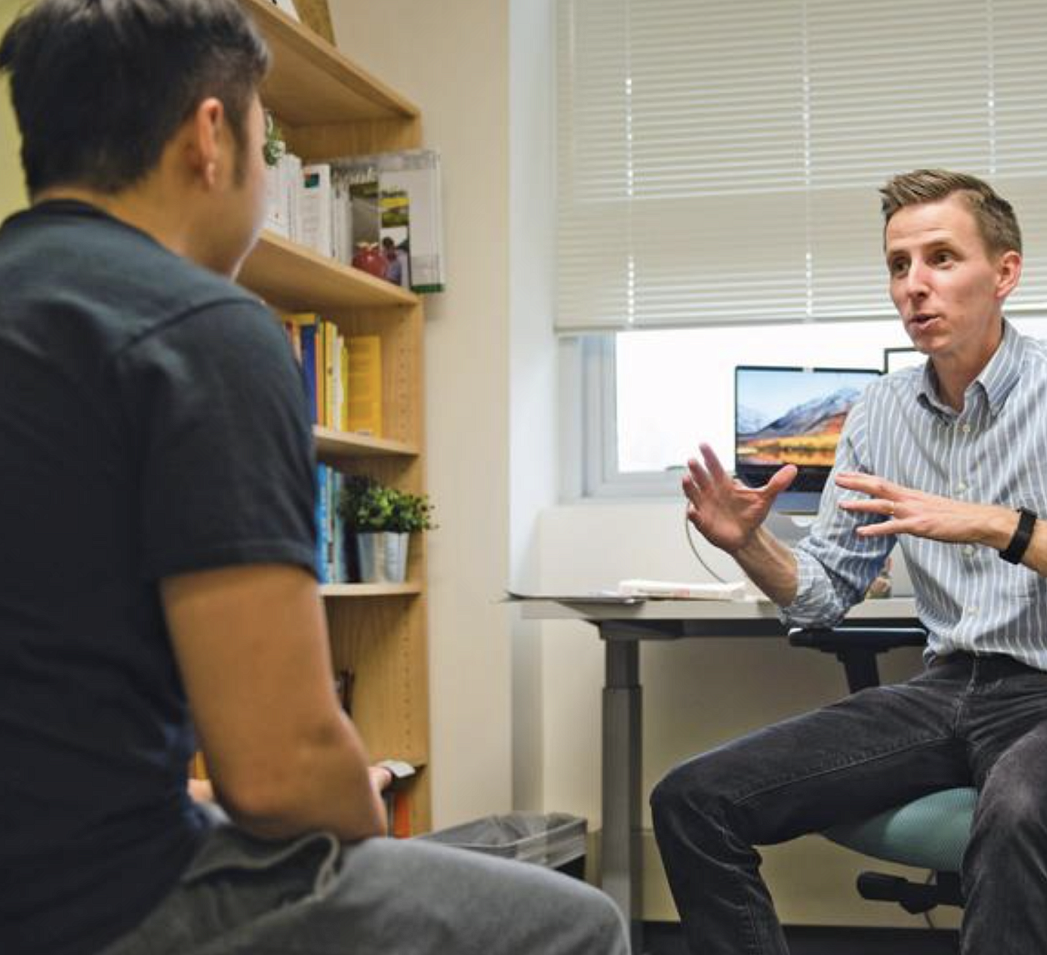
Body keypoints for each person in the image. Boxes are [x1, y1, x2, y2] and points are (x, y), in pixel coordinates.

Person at [0, 3, 627, 955]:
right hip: (98, 903)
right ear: (212, 135)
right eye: (266, 137)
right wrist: (363, 837)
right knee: (576, 922)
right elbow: (285, 773)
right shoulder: (198, 329)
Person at [651, 169, 1047, 955]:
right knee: (693, 797)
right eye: (898, 265)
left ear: (1006, 272)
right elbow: (820, 595)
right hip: (949, 689)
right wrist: (751, 545)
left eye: (942, 258)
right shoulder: (881, 411)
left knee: (1017, 806)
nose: (915, 285)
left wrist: (1000, 526)